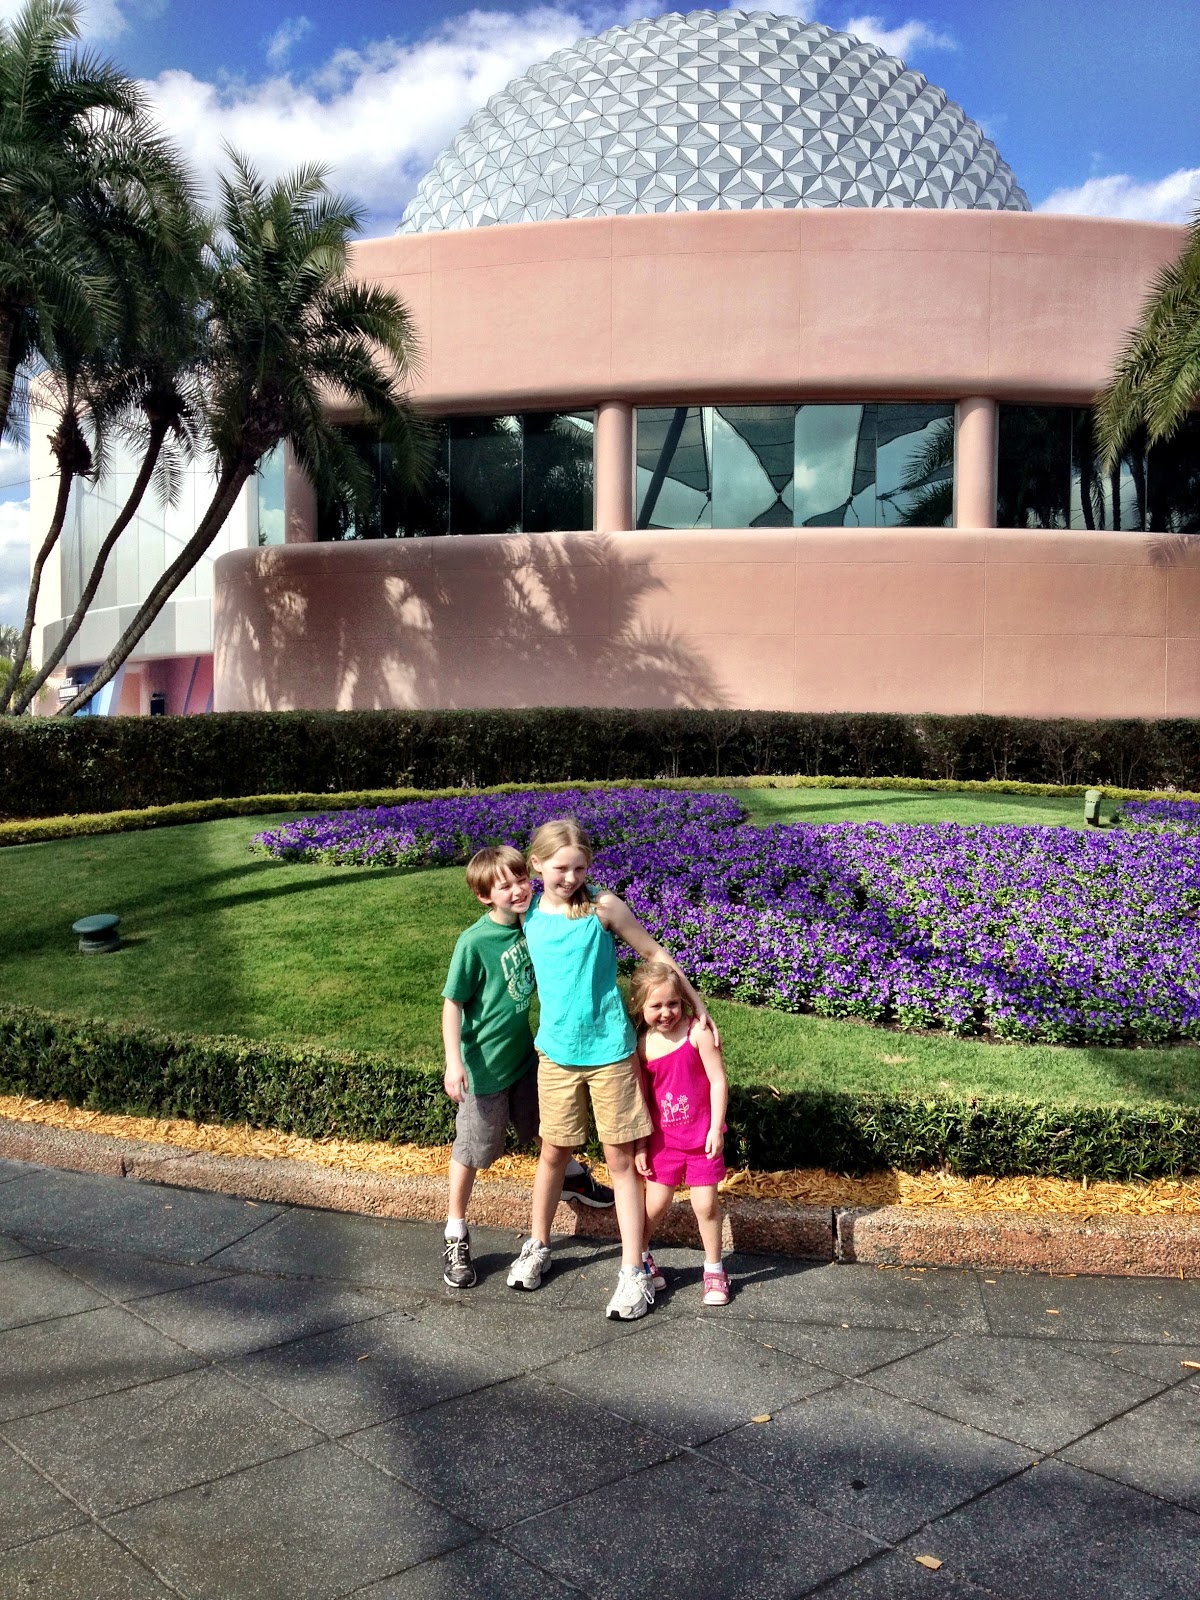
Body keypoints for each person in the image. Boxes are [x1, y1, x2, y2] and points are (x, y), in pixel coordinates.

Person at [508, 818, 717, 1321]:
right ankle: (537, 1244)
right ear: (537, 865)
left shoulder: (603, 908)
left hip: (610, 1056)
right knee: (553, 1153)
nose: (571, 877)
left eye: (580, 868)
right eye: (560, 868)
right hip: (556, 1055)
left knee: (621, 1160)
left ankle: (633, 1270)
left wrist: (697, 1004)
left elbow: (654, 952)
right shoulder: (526, 911)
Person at [441, 844, 612, 1290]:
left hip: (524, 1057)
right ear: (485, 896)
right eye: (505, 886)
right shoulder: (475, 942)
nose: (518, 890)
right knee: (474, 1150)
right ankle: (455, 1232)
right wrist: (454, 1062)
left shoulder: (532, 922)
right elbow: (452, 1003)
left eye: (521, 880)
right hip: (485, 1069)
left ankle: (573, 1179)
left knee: (546, 1129)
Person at [632, 959, 731, 1307]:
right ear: (640, 1006)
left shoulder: (697, 1033)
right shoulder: (642, 1046)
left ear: (683, 1001)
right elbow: (643, 1100)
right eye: (656, 1006)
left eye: (673, 1003)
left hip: (702, 1139)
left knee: (706, 1205)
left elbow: (718, 1080)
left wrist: (716, 1127)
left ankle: (714, 1269)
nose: (666, 1013)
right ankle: (640, 1256)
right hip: (663, 1143)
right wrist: (641, 1144)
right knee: (655, 1205)